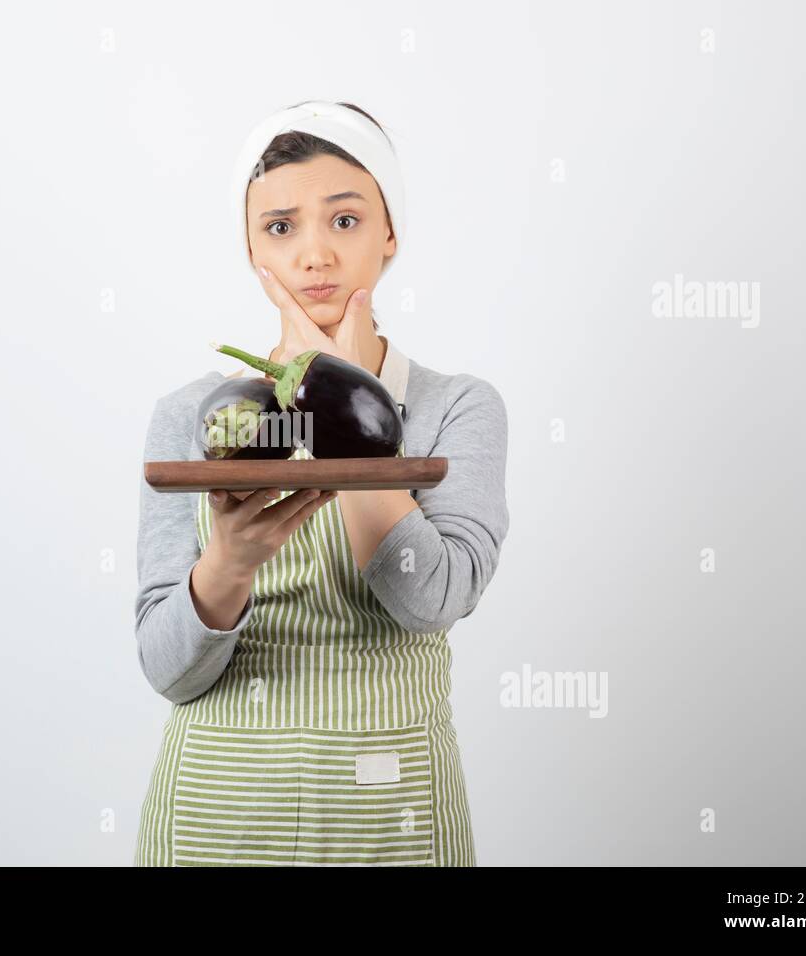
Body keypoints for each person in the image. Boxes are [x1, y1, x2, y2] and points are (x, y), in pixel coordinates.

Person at [133, 100, 511, 866]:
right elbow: (166, 671)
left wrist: (334, 401)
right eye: (281, 227)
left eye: (344, 221)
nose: (315, 256)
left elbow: (430, 600)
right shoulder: (199, 419)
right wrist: (229, 564)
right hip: (220, 813)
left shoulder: (459, 408)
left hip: (393, 814)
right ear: (249, 247)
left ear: (390, 234)